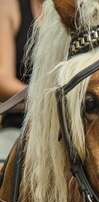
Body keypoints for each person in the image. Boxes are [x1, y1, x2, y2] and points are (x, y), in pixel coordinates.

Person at [0, 0, 43, 159]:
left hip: (69, 128)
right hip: (21, 126)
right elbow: (2, 80)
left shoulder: (80, 11)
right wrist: (46, 99)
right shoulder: (8, 7)